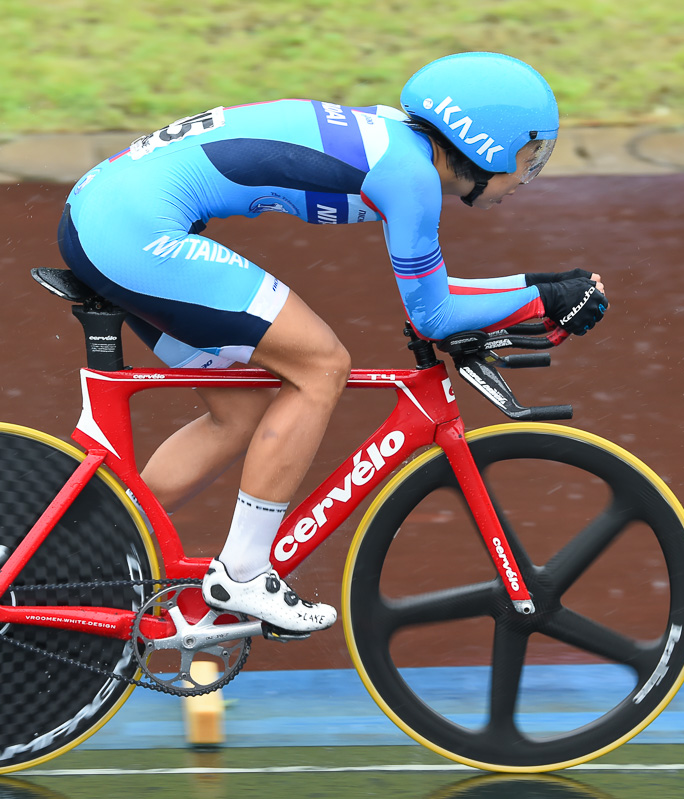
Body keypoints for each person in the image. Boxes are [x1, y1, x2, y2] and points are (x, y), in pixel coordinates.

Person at [56, 52, 608, 635]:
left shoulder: (400, 147)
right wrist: (541, 298)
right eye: (531, 155)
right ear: (486, 143)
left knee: (239, 411)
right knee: (321, 366)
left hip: (107, 216)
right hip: (135, 231)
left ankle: (83, 551)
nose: (529, 174)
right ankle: (242, 575)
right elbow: (435, 314)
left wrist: (535, 290)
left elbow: (434, 297)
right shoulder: (411, 177)